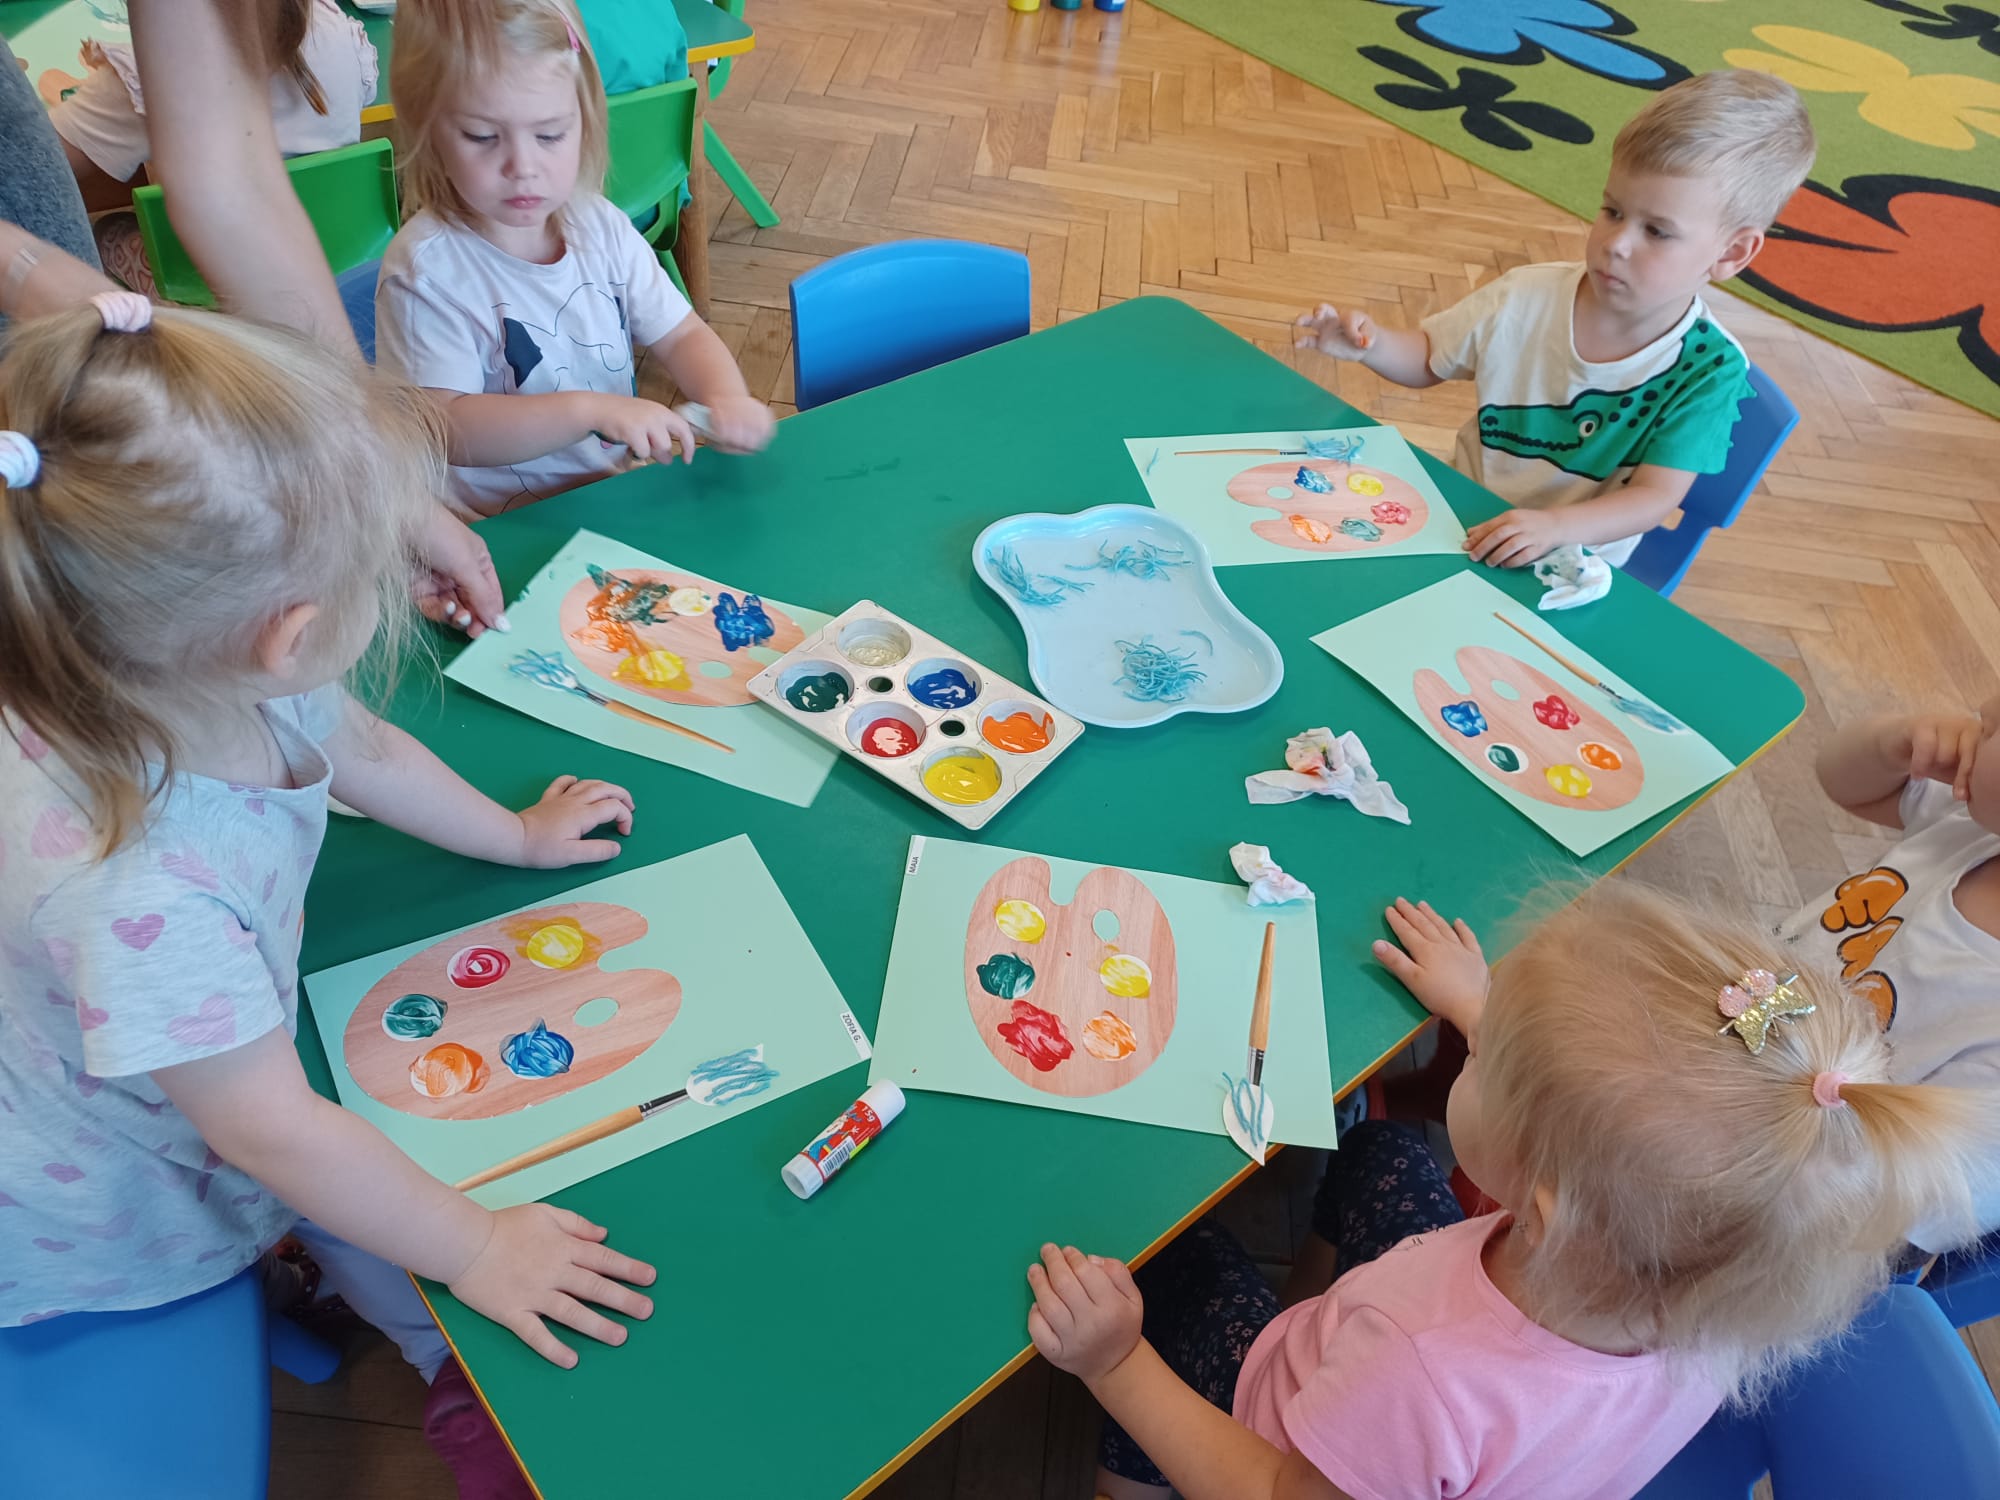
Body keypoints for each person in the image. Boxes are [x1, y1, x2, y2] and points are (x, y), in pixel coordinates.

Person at [0, 295, 650, 1498]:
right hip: (114, 1188)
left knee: (343, 1162)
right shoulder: (138, 894)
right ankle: (438, 1368)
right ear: (288, 635)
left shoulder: (162, 653)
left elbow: (356, 747)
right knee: (345, 1185)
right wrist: (475, 1244)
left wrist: (514, 837)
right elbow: (272, 1136)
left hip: (203, 1061)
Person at [1026, 884, 1996, 1500]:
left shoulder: (1418, 1374)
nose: (1476, 1049)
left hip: (1283, 1447)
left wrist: (1116, 1362)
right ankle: (1302, 1297)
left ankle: (1129, 1480)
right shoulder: (1710, 1285)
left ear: (1540, 1208)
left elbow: (1277, 1490)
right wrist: (1476, 1003)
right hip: (1441, 1415)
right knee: (1383, 1156)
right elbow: (1608, 1125)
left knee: (1176, 1266)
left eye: (1490, 1063)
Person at [1294, 70, 1815, 571]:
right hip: (1459, 511)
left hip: (1572, 559)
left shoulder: (1709, 371)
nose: (1617, 243)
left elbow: (1653, 498)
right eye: (1612, 211)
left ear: (1731, 253)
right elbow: (1430, 358)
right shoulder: (1524, 295)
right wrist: (1372, 344)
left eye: (1657, 231)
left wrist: (1555, 528)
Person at [375, 0, 774, 517]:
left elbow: (682, 334)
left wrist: (726, 396)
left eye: (550, 134)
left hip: (607, 503)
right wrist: (587, 411)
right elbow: (444, 427)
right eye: (482, 136)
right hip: (495, 530)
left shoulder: (600, 225)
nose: (523, 166)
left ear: (585, 121)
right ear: (427, 129)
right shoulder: (427, 273)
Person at [1780, 696, 2000, 1251]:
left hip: (1779, 1187)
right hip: (1738, 1023)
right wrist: (1894, 745)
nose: (1987, 704)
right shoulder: (1975, 823)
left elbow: (1896, 1217)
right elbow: (1845, 783)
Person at [47, 0, 378, 215]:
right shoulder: (342, 34)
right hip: (338, 253)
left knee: (108, 232)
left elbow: (43, 165)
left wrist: (86, 92)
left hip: (203, 288)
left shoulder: (147, 73)